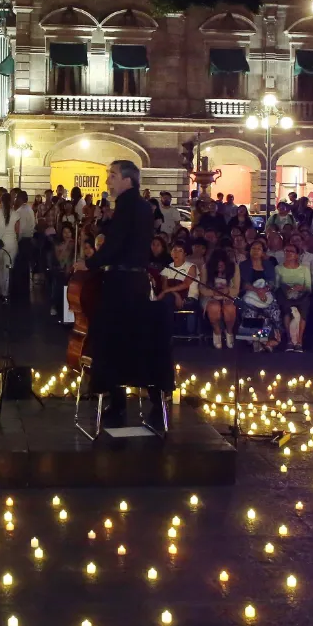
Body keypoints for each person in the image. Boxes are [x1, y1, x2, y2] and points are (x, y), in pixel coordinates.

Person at [70, 161, 173, 432]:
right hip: (134, 280)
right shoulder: (140, 206)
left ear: (128, 180)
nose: (108, 181)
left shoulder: (128, 206)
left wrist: (89, 263)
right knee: (136, 337)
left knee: (112, 339)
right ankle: (146, 397)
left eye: (112, 176)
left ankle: (116, 401)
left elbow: (115, 245)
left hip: (121, 282)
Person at [237, 239, 281, 349]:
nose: (256, 251)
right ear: (249, 250)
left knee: (273, 312)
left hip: (266, 294)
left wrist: (264, 290)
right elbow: (243, 283)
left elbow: (272, 282)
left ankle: (263, 340)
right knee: (250, 311)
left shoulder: (269, 264)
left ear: (263, 252)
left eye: (259, 249)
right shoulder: (243, 265)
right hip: (249, 294)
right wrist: (256, 290)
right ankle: (256, 341)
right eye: (253, 248)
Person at [201, 249, 240, 350]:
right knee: (214, 307)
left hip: (229, 295)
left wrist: (227, 291)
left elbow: (236, 289)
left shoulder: (234, 267)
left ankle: (229, 331)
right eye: (217, 264)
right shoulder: (206, 267)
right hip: (211, 296)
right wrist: (213, 292)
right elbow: (202, 288)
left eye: (222, 263)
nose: (220, 265)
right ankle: (217, 332)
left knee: (230, 307)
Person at [0, 188, 17, 302]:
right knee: (7, 269)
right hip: (11, 244)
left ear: (0, 201)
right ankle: (4, 292)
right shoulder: (16, 214)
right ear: (11, 202)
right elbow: (18, 231)